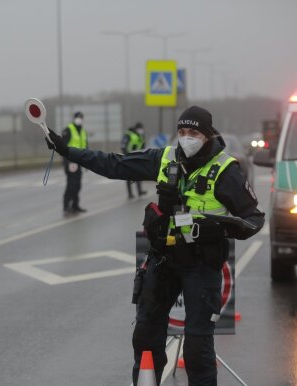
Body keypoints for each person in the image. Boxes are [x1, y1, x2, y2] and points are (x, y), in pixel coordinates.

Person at [45, 106, 264, 386]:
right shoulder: (165, 158)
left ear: (208, 135)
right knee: (146, 337)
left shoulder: (225, 170)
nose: (187, 138)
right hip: (164, 260)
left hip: (201, 265)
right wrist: (68, 151)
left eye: (193, 133)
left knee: (197, 347)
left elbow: (253, 218)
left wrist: (218, 227)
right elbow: (115, 164)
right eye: (182, 132)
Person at [61, 111, 88, 215]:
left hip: (80, 162)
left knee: (77, 185)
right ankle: (66, 206)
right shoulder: (68, 129)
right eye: (78, 117)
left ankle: (75, 206)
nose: (79, 119)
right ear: (74, 118)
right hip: (70, 162)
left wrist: (88, 162)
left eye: (81, 118)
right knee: (71, 185)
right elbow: (62, 147)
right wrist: (66, 162)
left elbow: (86, 147)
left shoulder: (83, 131)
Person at [121, 122, 147, 199]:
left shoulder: (141, 136)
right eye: (140, 129)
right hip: (129, 157)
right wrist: (126, 156)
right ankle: (130, 193)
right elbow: (123, 146)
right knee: (128, 175)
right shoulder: (128, 135)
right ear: (136, 128)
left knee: (139, 174)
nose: (141, 130)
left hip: (138, 157)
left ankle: (140, 191)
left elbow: (143, 146)